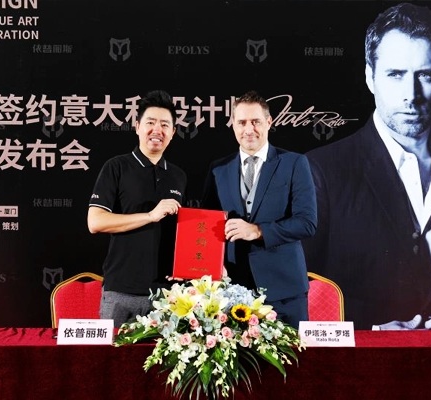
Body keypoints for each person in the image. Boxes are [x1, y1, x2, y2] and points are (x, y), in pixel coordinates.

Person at [304, 3, 431, 330]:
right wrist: (368, 332)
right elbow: (293, 287)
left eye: (425, 75)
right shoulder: (320, 169)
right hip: (358, 360)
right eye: (395, 74)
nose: (411, 95)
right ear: (370, 77)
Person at [202, 90, 318, 328]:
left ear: (269, 122)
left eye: (255, 121)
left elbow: (307, 223)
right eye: (242, 122)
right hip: (232, 291)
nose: (249, 129)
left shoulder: (294, 163)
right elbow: (206, 224)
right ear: (233, 125)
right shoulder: (218, 169)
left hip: (284, 291)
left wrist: (258, 230)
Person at [88, 90, 187, 327]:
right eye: (150, 122)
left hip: (167, 295)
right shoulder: (117, 167)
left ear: (173, 132)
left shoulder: (178, 176)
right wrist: (150, 216)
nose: (157, 130)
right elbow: (95, 222)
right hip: (121, 291)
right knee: (111, 352)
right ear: (137, 127)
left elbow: (184, 231)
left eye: (165, 125)